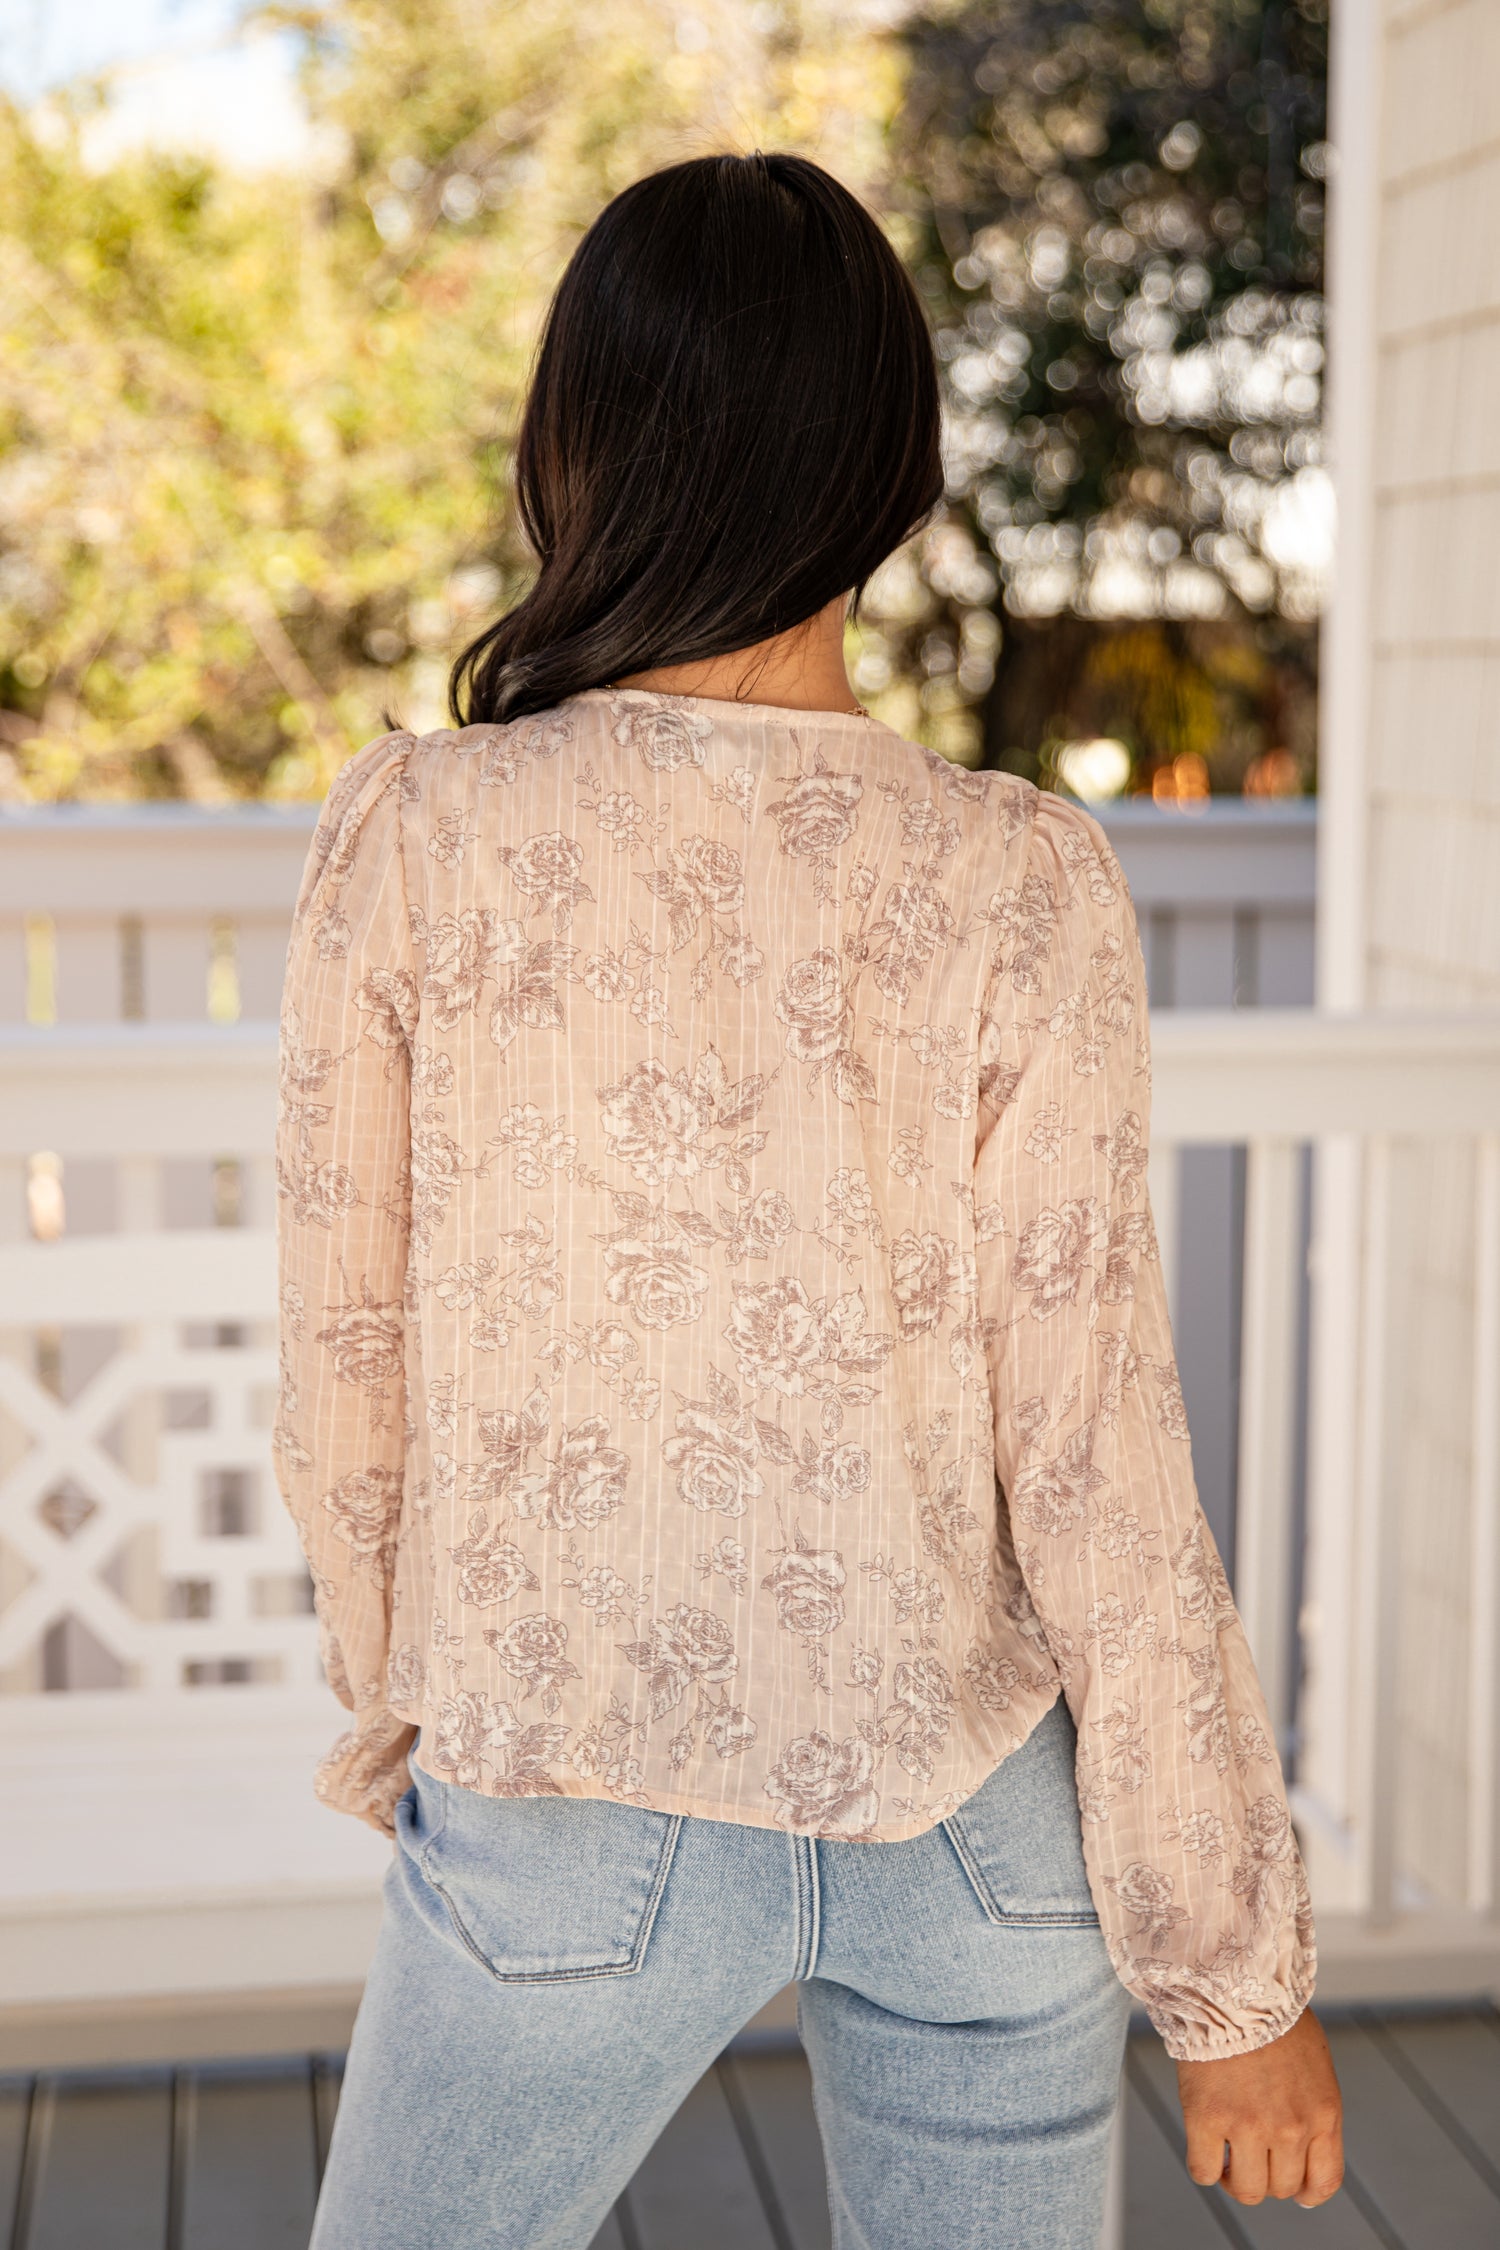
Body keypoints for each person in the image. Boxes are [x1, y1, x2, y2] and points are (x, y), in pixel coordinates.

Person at [274, 151, 1343, 2249]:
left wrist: (416, 1697)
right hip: (982, 1825)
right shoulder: (1021, 871)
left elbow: (347, 1359)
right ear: (892, 472)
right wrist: (1236, 1980)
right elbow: (1102, 1458)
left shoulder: (423, 831)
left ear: (569, 445)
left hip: (567, 1782)